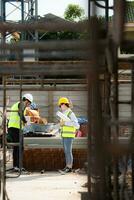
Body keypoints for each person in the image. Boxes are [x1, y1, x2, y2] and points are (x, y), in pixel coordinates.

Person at [7, 93, 33, 172]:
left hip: (13, 128)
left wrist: (26, 122)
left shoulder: (17, 104)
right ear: (27, 101)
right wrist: (25, 121)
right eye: (29, 103)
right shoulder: (21, 104)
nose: (29, 105)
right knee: (19, 148)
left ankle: (16, 166)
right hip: (16, 129)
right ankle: (18, 166)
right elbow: (20, 113)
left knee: (17, 148)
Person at [57, 97, 80, 173]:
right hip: (64, 135)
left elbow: (77, 125)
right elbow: (64, 125)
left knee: (68, 151)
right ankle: (67, 166)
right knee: (66, 151)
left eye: (61, 105)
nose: (60, 107)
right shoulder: (63, 114)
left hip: (69, 136)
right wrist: (61, 125)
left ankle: (69, 167)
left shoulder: (70, 113)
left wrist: (65, 123)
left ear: (64, 104)